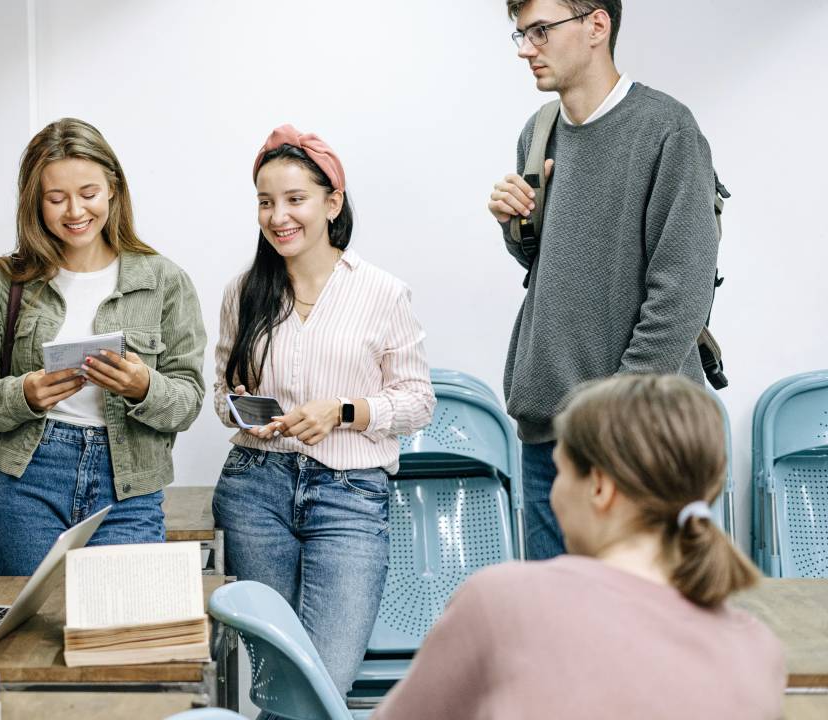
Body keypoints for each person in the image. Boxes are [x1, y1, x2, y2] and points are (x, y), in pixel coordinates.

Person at [374, 374, 785, 719]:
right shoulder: (758, 651)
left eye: (561, 473)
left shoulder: (502, 600)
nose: (553, 493)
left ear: (601, 487)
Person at [487, 0, 722, 559]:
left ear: (597, 25)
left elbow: (682, 292)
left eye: (541, 31)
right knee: (559, 631)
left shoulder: (667, 129)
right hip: (549, 436)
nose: (525, 49)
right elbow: (555, 266)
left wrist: (611, 419)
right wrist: (513, 224)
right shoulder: (538, 132)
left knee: (648, 632)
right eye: (520, 34)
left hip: (639, 437)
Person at [211, 124, 435, 697]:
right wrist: (240, 409)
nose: (278, 216)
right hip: (255, 490)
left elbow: (417, 402)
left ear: (332, 203)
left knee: (323, 680)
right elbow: (220, 393)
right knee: (273, 677)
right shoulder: (244, 292)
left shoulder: (383, 292)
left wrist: (343, 411)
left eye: (295, 199)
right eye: (265, 202)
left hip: (351, 495)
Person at [0, 117, 207, 576]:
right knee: (26, 636)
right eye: (56, 198)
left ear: (113, 188)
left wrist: (143, 386)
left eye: (88, 193)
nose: (74, 211)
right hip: (29, 479)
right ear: (35, 202)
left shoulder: (163, 281)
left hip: (128, 485)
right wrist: (24, 394)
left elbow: (188, 402)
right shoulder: (5, 280)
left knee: (118, 634)